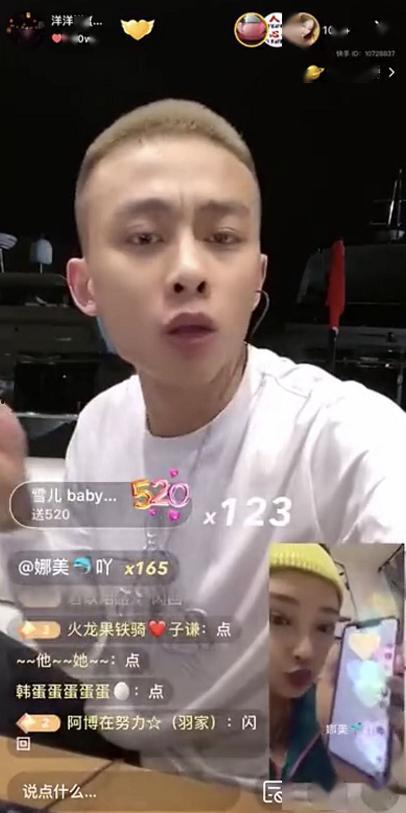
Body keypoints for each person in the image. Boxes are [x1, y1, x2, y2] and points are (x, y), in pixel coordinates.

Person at [1, 98, 406, 788]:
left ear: (257, 277)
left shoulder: (347, 439)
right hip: (131, 742)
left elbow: (367, 738)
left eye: (222, 237)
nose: (190, 269)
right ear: (85, 286)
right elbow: (88, 634)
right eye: (144, 238)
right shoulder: (101, 424)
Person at [269, 544, 404, 790]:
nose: (306, 651)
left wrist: (359, 765)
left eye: (324, 627)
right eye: (279, 619)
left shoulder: (328, 710)